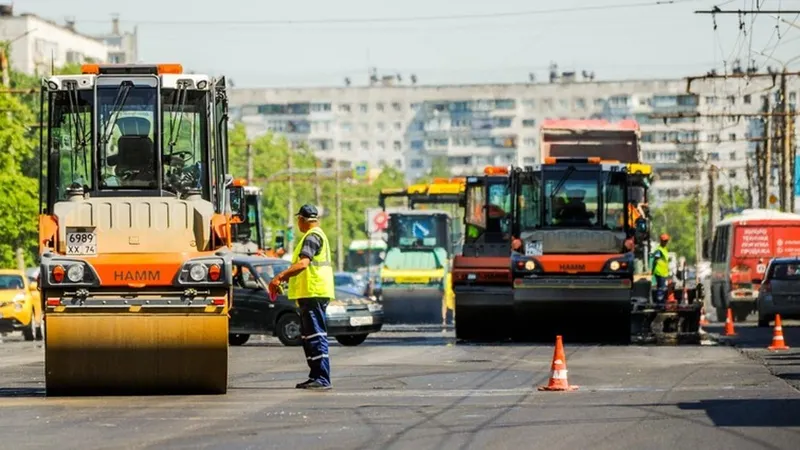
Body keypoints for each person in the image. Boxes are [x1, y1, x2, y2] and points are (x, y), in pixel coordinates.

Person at [269, 204, 335, 391]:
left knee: (316, 336)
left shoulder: (312, 237)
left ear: (302, 220)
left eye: (298, 219)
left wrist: (280, 277)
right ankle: (315, 376)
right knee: (308, 337)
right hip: (311, 293)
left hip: (314, 292)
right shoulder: (316, 235)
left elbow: (304, 263)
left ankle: (322, 378)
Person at [651, 233, 671, 303]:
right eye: (664, 241)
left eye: (666, 241)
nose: (665, 242)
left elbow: (664, 260)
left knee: (662, 288)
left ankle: (661, 302)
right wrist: (652, 270)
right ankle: (660, 303)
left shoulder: (664, 249)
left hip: (663, 273)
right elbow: (655, 261)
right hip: (659, 272)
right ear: (661, 241)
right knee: (661, 288)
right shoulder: (659, 250)